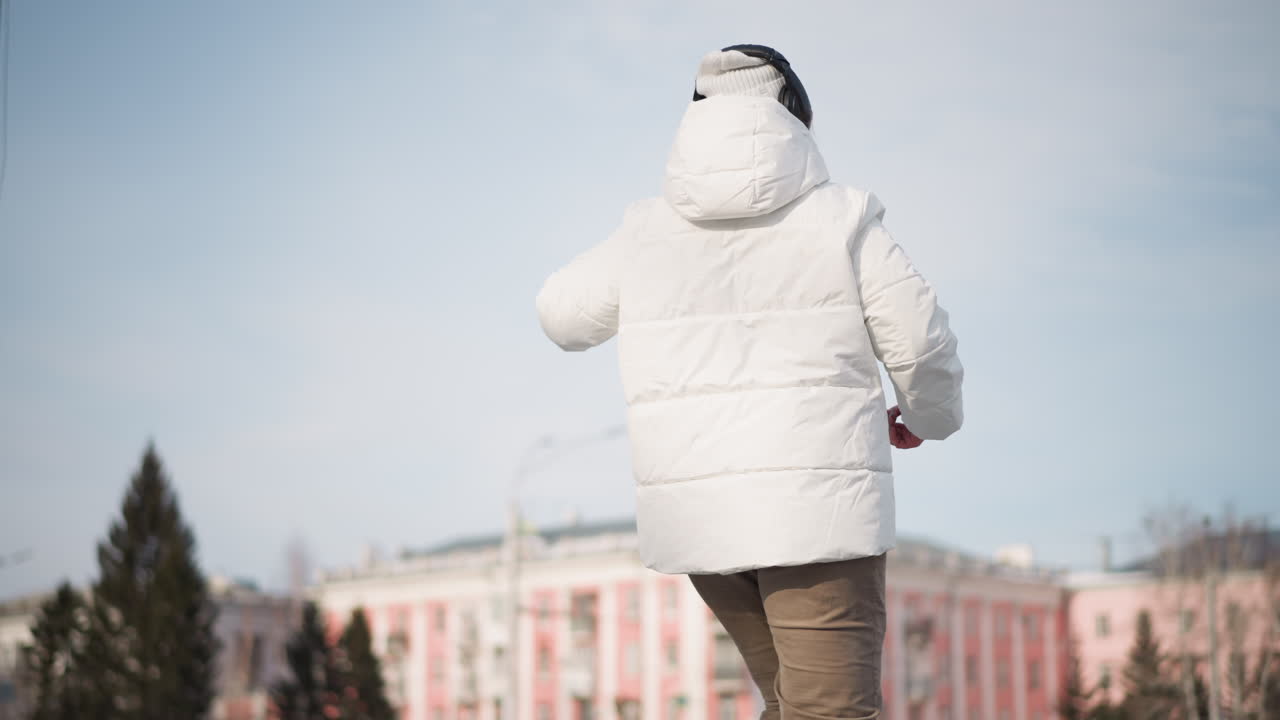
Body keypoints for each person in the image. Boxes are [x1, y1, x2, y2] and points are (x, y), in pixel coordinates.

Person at [535, 45, 963, 720]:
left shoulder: (647, 232)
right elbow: (921, 341)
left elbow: (560, 313)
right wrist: (929, 417)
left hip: (704, 523)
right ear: (795, 118)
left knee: (794, 704)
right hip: (816, 513)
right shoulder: (842, 219)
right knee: (830, 711)